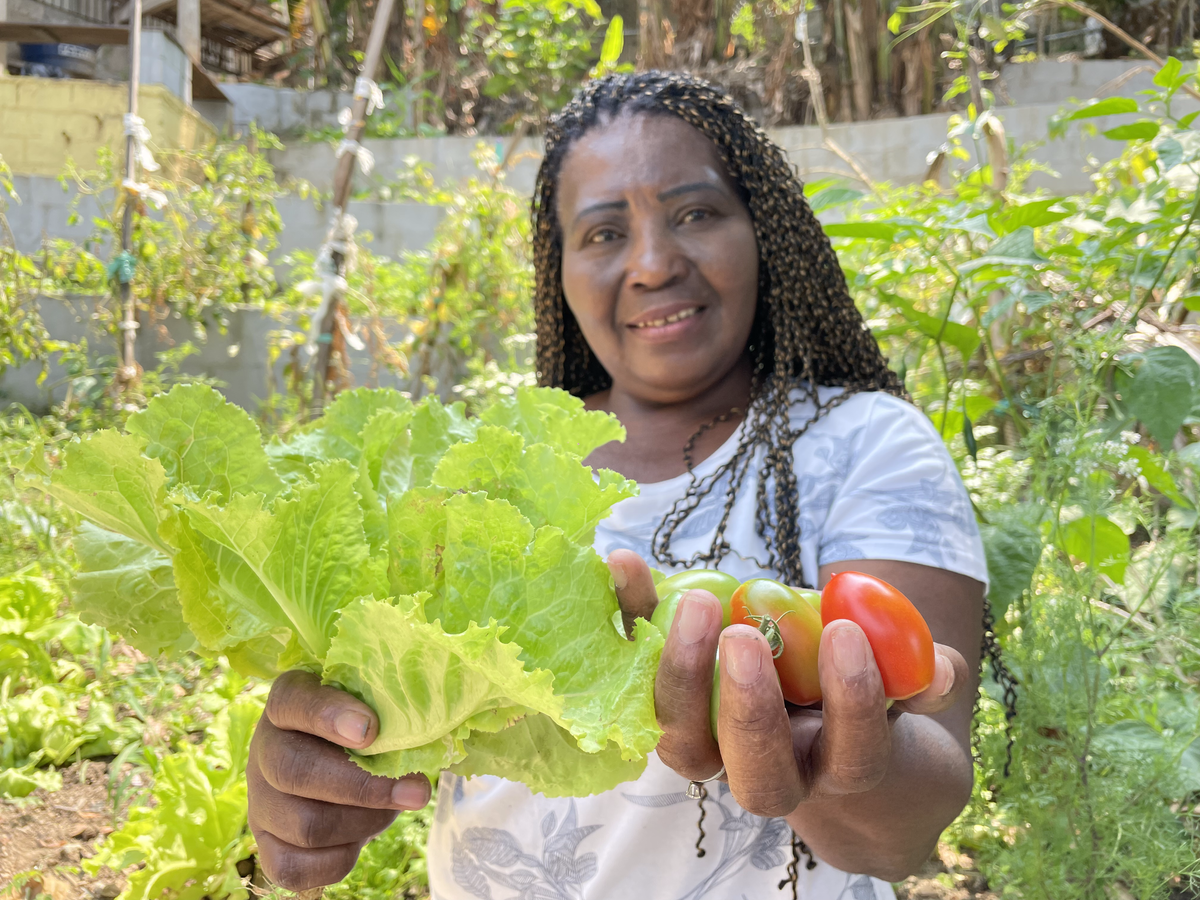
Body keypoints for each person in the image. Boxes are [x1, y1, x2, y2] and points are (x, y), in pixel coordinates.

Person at [247, 72, 1000, 899]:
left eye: (695, 213)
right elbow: (389, 715)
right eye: (604, 233)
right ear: (559, 271)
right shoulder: (492, 467)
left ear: (764, 232)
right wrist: (323, 757)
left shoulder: (866, 443)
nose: (652, 263)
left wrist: (857, 762)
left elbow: (908, 822)